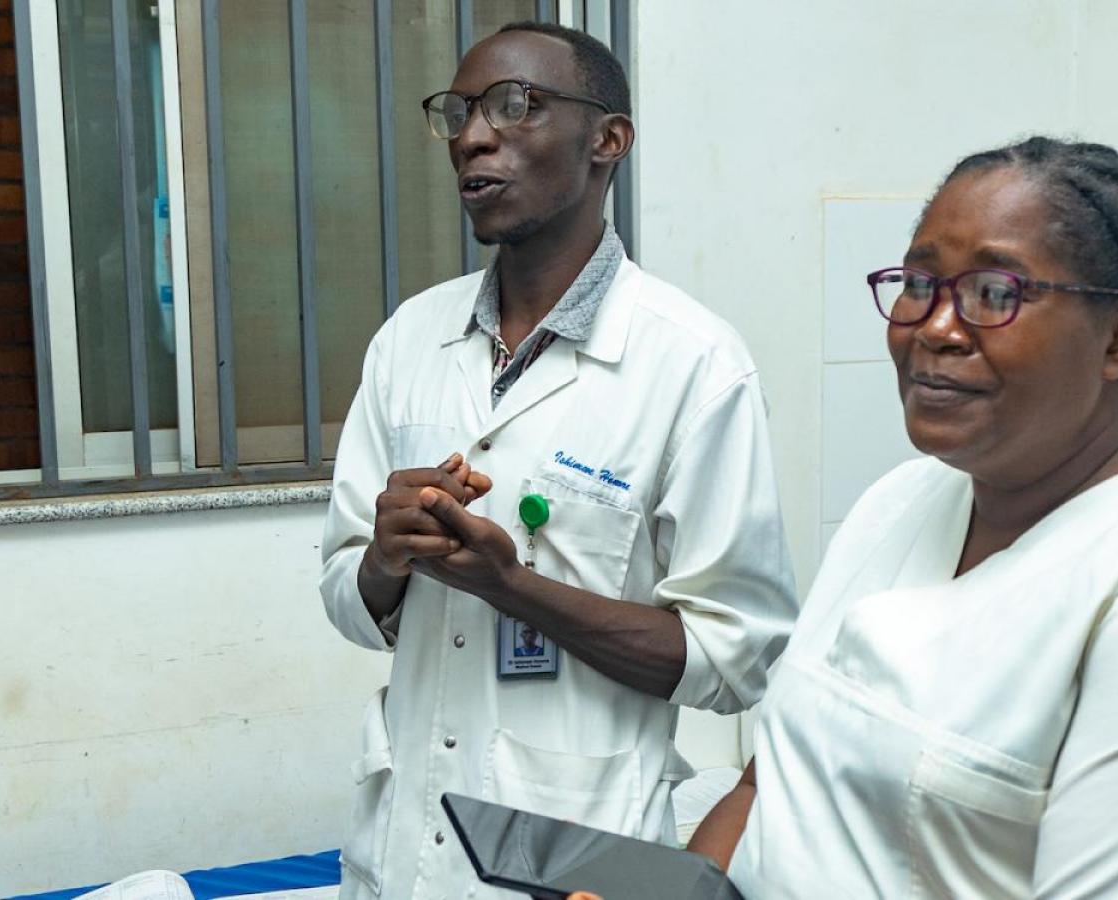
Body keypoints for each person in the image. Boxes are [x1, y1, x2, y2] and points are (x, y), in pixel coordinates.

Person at [689, 137, 1118, 898]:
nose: (936, 327)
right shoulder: (901, 502)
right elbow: (772, 784)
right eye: (920, 282)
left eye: (993, 293)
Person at [319, 21, 798, 900]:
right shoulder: (409, 342)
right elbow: (347, 601)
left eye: (517, 105)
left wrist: (515, 586)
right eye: (459, 113)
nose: (472, 134)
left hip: (583, 855)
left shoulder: (691, 363)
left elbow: (738, 661)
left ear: (608, 140)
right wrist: (386, 561)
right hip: (405, 851)